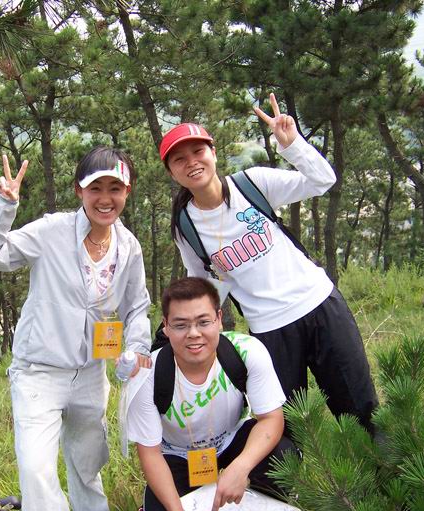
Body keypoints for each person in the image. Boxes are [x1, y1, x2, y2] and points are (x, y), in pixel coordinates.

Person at [158, 94, 378, 434]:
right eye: (179, 159)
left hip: (319, 306)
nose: (192, 162)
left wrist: (292, 145)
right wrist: (180, 328)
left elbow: (323, 181)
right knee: (285, 429)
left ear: (213, 153)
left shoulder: (252, 184)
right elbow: (202, 283)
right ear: (172, 172)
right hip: (269, 331)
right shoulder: (186, 226)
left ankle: (384, 468)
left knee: (361, 410)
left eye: (198, 151)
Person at [0, 147, 152, 511]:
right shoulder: (51, 231)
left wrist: (136, 348)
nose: (105, 198)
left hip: (90, 373)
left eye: (115, 188)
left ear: (128, 191)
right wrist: (5, 205)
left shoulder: (128, 246)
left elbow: (137, 305)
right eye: (95, 188)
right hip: (38, 371)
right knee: (36, 471)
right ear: (78, 191)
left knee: (87, 462)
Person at [125, 277, 296, 511]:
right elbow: (150, 453)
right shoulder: (148, 375)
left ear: (218, 319)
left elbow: (271, 419)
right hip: (177, 453)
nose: (194, 334)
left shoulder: (246, 351)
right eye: (181, 325)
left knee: (284, 456)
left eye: (203, 322)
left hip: (231, 439)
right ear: (166, 327)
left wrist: (241, 467)